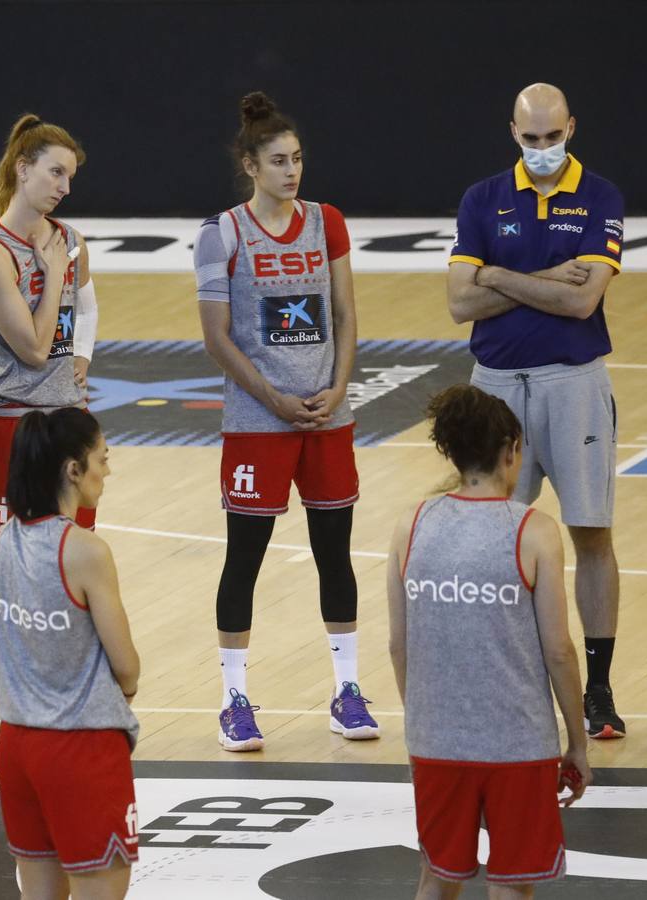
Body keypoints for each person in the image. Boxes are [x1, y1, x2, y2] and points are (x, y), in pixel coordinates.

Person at [193, 91, 372, 751]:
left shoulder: (326, 221)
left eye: (296, 159)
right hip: (256, 423)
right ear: (249, 165)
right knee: (245, 560)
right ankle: (233, 699)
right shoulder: (221, 232)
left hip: (326, 416)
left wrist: (338, 387)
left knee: (336, 555)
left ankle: (347, 691)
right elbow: (215, 336)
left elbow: (347, 315)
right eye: (277, 161)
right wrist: (272, 399)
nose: (291, 171)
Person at [447, 82, 626, 739]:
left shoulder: (600, 196)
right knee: (495, 541)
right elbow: (459, 303)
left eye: (553, 138)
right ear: (512, 133)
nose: (543, 149)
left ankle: (598, 691)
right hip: (494, 383)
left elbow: (584, 304)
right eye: (531, 139)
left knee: (590, 531)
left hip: (572, 381)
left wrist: (495, 274)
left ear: (571, 128)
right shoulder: (482, 200)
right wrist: (550, 275)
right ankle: (507, 686)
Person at [387, 385, 591, 899]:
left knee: (436, 878)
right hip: (517, 744)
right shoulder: (535, 531)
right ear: (511, 451)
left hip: (437, 740)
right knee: (512, 883)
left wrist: (422, 725)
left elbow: (398, 644)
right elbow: (560, 651)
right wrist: (578, 742)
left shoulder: (409, 526)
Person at [0, 113, 99, 772]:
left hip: (63, 422)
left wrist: (85, 362)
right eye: (55, 172)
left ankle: (67, 699)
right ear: (21, 169)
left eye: (70, 175)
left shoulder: (68, 239)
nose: (64, 187)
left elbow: (85, 306)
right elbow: (36, 347)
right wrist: (49, 268)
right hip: (7, 426)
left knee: (71, 570)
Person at [0, 408, 140, 899]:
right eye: (102, 458)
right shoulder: (85, 551)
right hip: (81, 747)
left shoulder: (4, 541)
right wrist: (128, 686)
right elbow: (127, 667)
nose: (108, 470)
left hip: (16, 745)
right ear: (73, 470)